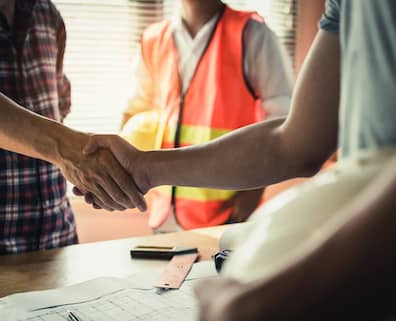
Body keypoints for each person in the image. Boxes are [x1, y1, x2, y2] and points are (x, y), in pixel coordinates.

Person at [83, 0, 396, 319]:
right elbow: (293, 143)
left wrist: (287, 286)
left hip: (360, 257)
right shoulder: (345, 5)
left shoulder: (250, 32)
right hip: (172, 218)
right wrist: (143, 167)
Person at [0, 0, 146, 265]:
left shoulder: (46, 13)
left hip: (57, 249)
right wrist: (72, 150)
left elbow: (58, 107)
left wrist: (87, 159)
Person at [120, 0, 293, 232]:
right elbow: (134, 113)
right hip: (164, 216)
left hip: (229, 215)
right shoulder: (153, 39)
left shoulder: (251, 34)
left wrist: (253, 192)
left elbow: (282, 123)